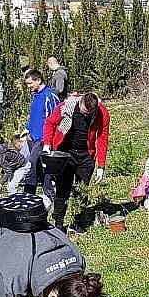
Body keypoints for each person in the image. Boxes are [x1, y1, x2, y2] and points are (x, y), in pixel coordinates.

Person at [43, 92, 110, 233]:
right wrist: (47, 144)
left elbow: (102, 138)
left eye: (89, 114)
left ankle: (77, 222)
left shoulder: (102, 113)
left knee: (81, 190)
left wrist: (101, 166)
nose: (86, 116)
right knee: (63, 189)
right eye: (84, 112)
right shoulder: (66, 106)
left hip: (86, 155)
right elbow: (50, 123)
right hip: (64, 153)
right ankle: (59, 224)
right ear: (80, 102)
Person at [23, 70, 61, 198]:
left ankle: (28, 194)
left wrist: (49, 141)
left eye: (30, 83)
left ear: (38, 80)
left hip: (44, 138)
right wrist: (28, 128)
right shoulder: (36, 96)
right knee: (40, 166)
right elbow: (35, 116)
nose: (28, 87)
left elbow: (54, 119)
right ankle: (48, 191)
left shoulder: (50, 97)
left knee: (32, 163)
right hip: (34, 136)